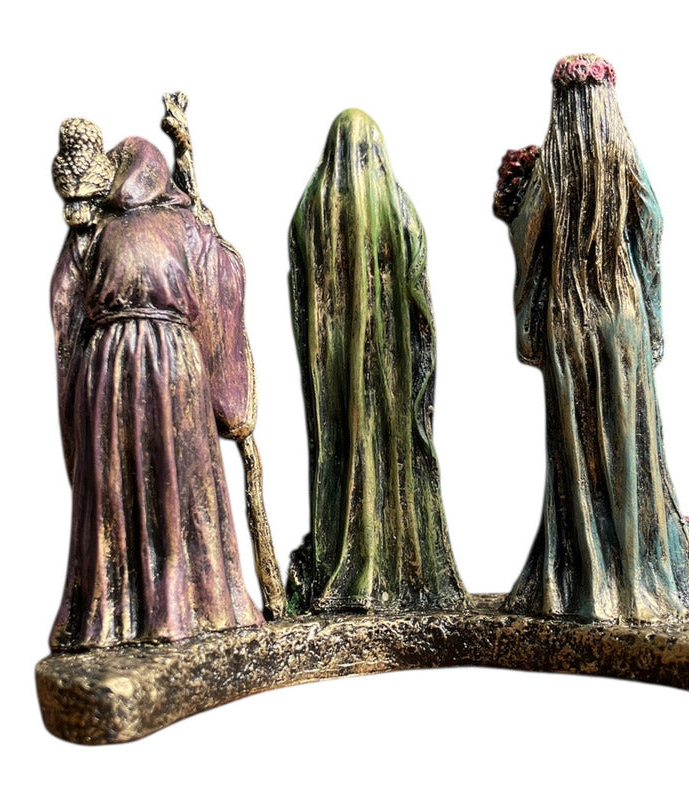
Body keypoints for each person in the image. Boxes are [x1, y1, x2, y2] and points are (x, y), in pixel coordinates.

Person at [495, 55, 689, 622]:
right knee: (630, 439)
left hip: (569, 319)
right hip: (621, 315)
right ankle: (643, 562)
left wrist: (526, 316)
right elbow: (652, 223)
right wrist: (653, 313)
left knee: (578, 450)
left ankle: (584, 579)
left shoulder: (553, 168)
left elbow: (528, 240)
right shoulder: (622, 156)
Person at [50, 127, 263, 650]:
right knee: (166, 480)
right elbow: (219, 286)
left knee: (148, 482)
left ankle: (125, 613)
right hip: (168, 362)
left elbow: (66, 303)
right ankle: (183, 606)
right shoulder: (177, 224)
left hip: (112, 366)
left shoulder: (101, 229)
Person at [287, 109, 468, 613]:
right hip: (392, 371)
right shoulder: (396, 205)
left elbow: (301, 295)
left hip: (334, 372)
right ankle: (401, 570)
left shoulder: (311, 210)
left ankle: (347, 562)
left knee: (342, 454)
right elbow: (419, 294)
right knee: (393, 458)